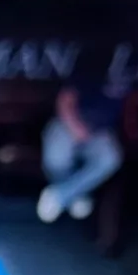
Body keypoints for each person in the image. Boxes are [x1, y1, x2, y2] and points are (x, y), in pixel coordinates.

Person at [37, 87, 123, 223]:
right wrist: (76, 128)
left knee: (110, 158)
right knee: (57, 160)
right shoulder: (90, 69)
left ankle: (61, 195)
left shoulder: (126, 77)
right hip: (67, 124)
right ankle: (75, 194)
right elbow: (64, 101)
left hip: (98, 133)